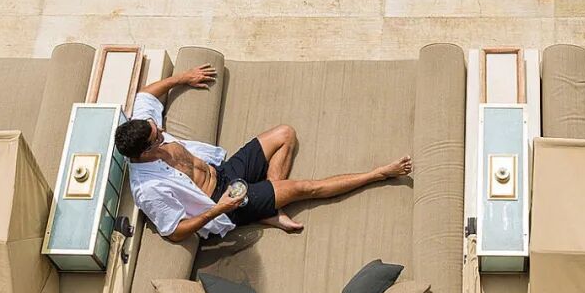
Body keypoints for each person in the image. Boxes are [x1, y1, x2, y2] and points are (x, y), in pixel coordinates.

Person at [116, 64, 412, 241]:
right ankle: (378, 174)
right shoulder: (148, 189)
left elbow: (144, 95)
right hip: (222, 201)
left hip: (224, 171)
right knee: (305, 188)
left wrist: (183, 78)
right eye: (157, 136)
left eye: (156, 127)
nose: (161, 132)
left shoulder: (142, 129)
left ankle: (267, 209)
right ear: (145, 151)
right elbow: (175, 232)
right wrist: (219, 209)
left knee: (285, 134)